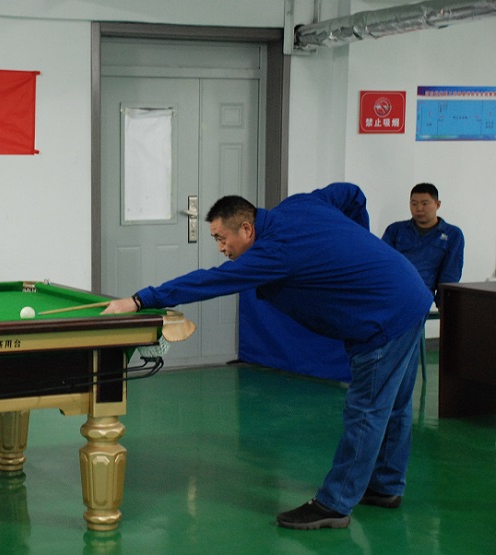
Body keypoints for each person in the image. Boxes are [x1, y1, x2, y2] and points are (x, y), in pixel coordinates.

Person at [103, 182, 432, 530]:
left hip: (383, 316)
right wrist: (359, 247)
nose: (221, 248)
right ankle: (385, 487)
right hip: (410, 294)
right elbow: (352, 194)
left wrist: (139, 300)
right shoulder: (299, 205)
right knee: (395, 404)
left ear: (247, 229)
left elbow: (208, 282)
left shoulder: (273, 253)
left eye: (222, 239)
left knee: (366, 410)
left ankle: (335, 504)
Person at [382, 182, 464, 306]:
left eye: (424, 203)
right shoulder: (395, 230)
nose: (419, 208)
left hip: (422, 297)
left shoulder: (452, 234)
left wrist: (443, 304)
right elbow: (383, 262)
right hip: (392, 292)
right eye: (414, 204)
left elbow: (451, 273)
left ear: (437, 204)